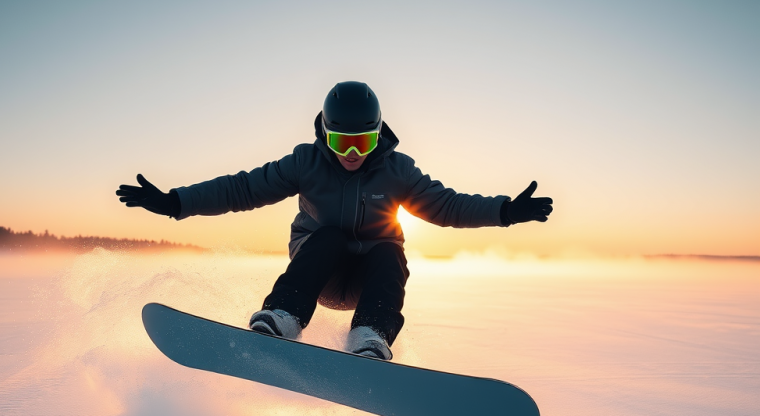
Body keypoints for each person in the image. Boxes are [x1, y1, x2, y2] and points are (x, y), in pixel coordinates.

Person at [116, 81, 553, 360]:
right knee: (327, 236)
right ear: (325, 133)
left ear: (378, 134)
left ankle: (371, 335)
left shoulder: (398, 170)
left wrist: (504, 211)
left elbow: (447, 206)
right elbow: (243, 188)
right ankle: (282, 316)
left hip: (368, 282)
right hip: (319, 274)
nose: (352, 153)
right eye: (342, 142)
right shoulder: (306, 162)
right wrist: (176, 202)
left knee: (389, 250)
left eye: (363, 141)